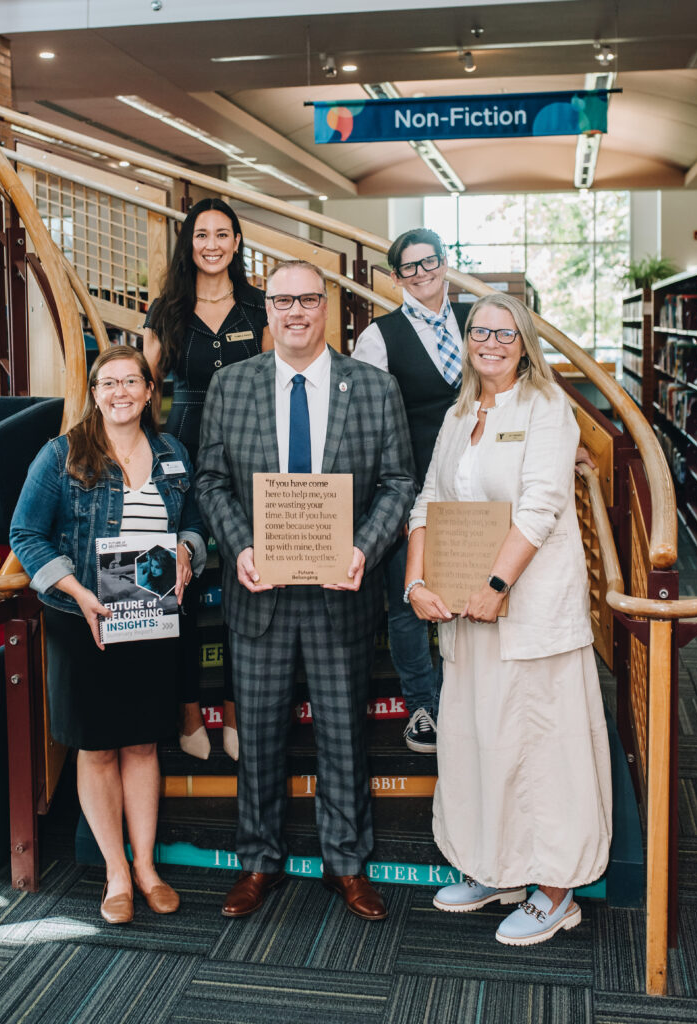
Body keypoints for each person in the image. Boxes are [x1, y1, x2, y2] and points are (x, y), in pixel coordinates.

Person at [195, 260, 416, 921]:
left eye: (308, 300)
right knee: (258, 735)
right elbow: (210, 482)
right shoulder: (231, 387)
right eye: (282, 300)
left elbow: (398, 483)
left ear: (327, 308)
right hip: (257, 594)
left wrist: (362, 550)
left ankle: (346, 865)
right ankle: (258, 863)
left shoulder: (372, 388)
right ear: (267, 310)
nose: (295, 311)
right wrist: (238, 547)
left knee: (344, 737)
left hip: (338, 590)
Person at [405, 292, 612, 946]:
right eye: (477, 332)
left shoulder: (547, 407)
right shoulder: (460, 412)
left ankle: (555, 890)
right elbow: (428, 501)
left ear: (524, 343)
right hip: (465, 612)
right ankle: (497, 868)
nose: (489, 343)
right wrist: (414, 580)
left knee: (543, 750)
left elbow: (542, 504)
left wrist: (496, 583)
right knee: (478, 743)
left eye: (504, 333)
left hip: (529, 611)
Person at [10, 345, 207, 925]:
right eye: (108, 383)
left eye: (131, 382)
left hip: (151, 621)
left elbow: (192, 522)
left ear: (151, 391)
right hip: (85, 622)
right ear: (94, 393)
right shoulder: (62, 454)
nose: (120, 393)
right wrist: (76, 593)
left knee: (144, 742)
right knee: (96, 749)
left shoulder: (173, 452)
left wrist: (188, 552)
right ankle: (116, 876)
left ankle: (146, 868)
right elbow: (26, 533)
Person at [144, 197, 272, 762]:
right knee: (184, 584)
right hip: (183, 450)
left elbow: (277, 383)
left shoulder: (260, 307)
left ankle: (244, 710)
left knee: (252, 583)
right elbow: (143, 388)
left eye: (223, 234)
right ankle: (189, 710)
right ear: (188, 243)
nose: (212, 244)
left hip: (250, 451)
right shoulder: (165, 310)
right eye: (202, 235)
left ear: (238, 243)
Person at [353, 229, 471, 754]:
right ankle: (424, 706)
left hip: (480, 483)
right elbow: (366, 422)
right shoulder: (380, 337)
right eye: (409, 269)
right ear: (396, 277)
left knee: (478, 590)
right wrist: (388, 498)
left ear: (445, 263)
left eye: (429, 263)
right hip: (413, 485)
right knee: (407, 601)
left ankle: (473, 700)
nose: (422, 275)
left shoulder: (480, 322)